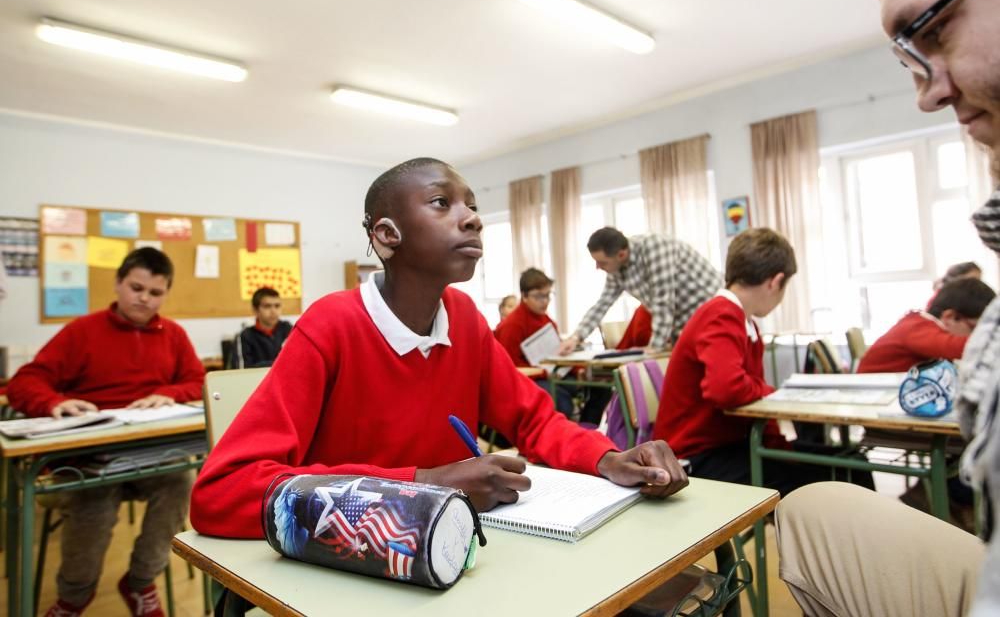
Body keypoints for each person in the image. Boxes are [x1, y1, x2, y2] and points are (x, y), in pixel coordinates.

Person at [190, 158, 688, 540]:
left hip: (453, 547)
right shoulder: (332, 325)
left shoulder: (466, 320)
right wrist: (423, 483)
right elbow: (220, 493)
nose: (471, 218)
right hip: (362, 560)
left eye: (471, 205)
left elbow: (535, 421)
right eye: (441, 203)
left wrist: (608, 458)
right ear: (387, 236)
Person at [776, 0, 1000, 615]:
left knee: (804, 520)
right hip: (854, 421)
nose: (928, 94)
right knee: (807, 507)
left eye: (933, 28)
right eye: (910, 57)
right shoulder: (926, 326)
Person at [8, 247, 204, 617]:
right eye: (136, 287)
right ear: (117, 284)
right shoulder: (82, 331)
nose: (144, 299)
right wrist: (53, 403)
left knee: (181, 480)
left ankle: (140, 581)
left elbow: (196, 380)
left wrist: (167, 393)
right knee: (94, 503)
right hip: (91, 457)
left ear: (165, 294)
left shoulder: (174, 334)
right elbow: (24, 382)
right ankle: (74, 598)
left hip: (150, 451)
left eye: (155, 293)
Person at [651, 228, 873, 495]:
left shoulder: (746, 323)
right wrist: (770, 393)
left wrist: (781, 447)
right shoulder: (721, 314)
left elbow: (751, 398)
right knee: (844, 475)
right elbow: (726, 388)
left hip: (731, 445)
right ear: (775, 281)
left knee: (854, 463)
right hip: (696, 459)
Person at [558, 228, 720, 354]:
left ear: (621, 254)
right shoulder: (616, 269)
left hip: (712, 312)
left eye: (602, 262)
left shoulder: (655, 247)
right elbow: (602, 305)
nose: (598, 267)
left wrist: (654, 347)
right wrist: (576, 337)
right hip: (684, 324)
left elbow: (663, 302)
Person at [859, 277, 995, 373]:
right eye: (975, 329)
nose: (974, 335)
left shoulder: (922, 324)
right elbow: (959, 347)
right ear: (950, 317)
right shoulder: (917, 327)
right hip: (868, 392)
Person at [494, 268, 579, 418]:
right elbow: (510, 367)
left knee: (594, 388)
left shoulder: (546, 320)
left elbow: (557, 352)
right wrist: (543, 371)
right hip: (527, 379)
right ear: (524, 296)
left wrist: (577, 369)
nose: (545, 301)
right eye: (539, 296)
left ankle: (589, 430)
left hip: (549, 374)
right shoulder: (512, 325)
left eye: (547, 295)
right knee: (562, 402)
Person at [229, 287, 293, 368]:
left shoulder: (289, 330)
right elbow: (241, 371)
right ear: (255, 310)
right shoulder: (245, 336)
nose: (273, 311)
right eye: (267, 306)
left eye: (277, 306)